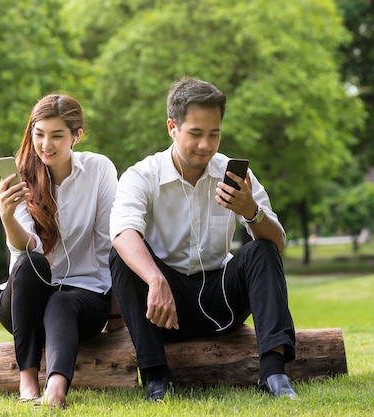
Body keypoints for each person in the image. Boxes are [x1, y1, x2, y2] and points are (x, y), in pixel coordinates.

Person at [109, 76, 297, 401]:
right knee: (124, 257)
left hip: (220, 300)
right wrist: (155, 279)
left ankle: (274, 373)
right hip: (164, 310)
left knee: (261, 250)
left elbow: (277, 245)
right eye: (195, 133)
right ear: (172, 127)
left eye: (214, 134)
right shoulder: (142, 175)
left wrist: (251, 211)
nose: (206, 145)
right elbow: (123, 232)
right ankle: (157, 378)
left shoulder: (235, 175)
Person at [0, 93, 121, 408]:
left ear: (76, 136)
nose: (46, 144)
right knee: (31, 261)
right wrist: (7, 218)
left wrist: (116, 315)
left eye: (57, 136)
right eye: (39, 134)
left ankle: (57, 391)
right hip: (26, 304)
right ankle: (28, 381)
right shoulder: (21, 175)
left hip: (82, 299)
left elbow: (109, 243)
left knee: (62, 301)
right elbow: (29, 248)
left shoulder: (99, 170)